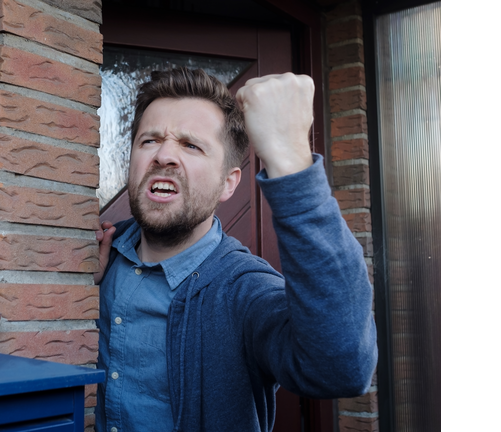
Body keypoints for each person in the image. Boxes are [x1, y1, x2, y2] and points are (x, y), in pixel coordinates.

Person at [93, 68, 377, 432]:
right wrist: (79, 287)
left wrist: (291, 159)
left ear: (229, 183)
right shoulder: (101, 255)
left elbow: (342, 370)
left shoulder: (245, 290)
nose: (164, 155)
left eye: (191, 145)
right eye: (149, 140)